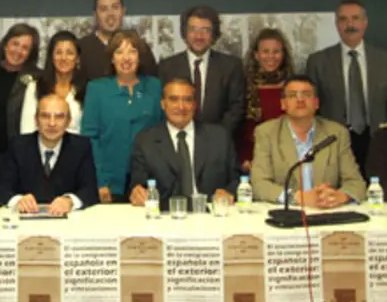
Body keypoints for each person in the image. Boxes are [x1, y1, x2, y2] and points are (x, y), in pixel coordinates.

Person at [306, 0, 387, 176]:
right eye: (343, 19)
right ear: (336, 25)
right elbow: (312, 107)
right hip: (334, 140)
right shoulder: (318, 62)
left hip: (378, 139)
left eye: (355, 18)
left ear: (365, 23)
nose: (350, 24)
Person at [250, 75, 366, 208]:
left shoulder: (336, 133)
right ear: (283, 104)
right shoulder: (266, 132)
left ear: (316, 103)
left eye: (306, 94)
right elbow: (259, 184)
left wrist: (340, 196)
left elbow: (356, 183)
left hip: (327, 211)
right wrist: (297, 197)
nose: (300, 100)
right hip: (286, 212)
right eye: (293, 95)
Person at [129, 79, 240, 210]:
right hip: (165, 217)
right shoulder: (146, 140)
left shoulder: (219, 137)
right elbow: (138, 184)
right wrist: (138, 192)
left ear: (194, 105)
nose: (181, 107)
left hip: (211, 214)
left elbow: (237, 181)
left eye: (187, 100)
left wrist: (229, 192)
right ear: (163, 104)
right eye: (174, 99)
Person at [81, 30, 163, 203]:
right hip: (109, 182)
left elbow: (162, 134)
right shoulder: (97, 89)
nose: (126, 58)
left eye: (132, 51)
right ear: (112, 58)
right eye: (119, 52)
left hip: (149, 182)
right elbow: (90, 138)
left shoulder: (155, 87)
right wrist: (100, 181)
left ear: (140, 57)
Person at [0, 95, 98, 216]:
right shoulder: (18, 146)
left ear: (69, 122)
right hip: (24, 221)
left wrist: (70, 201)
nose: (52, 123)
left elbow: (90, 190)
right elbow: (2, 188)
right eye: (45, 116)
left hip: (69, 224)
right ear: (36, 120)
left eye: (59, 117)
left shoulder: (81, 147)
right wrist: (18, 200)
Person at [158, 5, 246, 135]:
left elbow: (236, 109)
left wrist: (215, 138)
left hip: (219, 143)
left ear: (214, 34)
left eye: (205, 30)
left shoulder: (231, 66)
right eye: (193, 29)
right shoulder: (166, 67)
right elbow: (163, 108)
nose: (199, 36)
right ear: (185, 32)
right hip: (178, 143)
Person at [0, 23, 41, 180]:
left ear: (30, 54)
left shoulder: (37, 76)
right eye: (15, 43)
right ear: (6, 44)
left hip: (13, 153)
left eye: (25, 48)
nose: (18, 51)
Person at [237, 28, 295, 171]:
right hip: (253, 158)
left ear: (283, 55)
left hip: (288, 156)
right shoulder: (244, 85)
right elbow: (240, 128)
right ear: (256, 55)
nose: (271, 57)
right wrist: (244, 158)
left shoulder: (293, 85)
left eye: (276, 51)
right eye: (265, 51)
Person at [78, 0, 158, 83]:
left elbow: (151, 87)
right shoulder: (81, 49)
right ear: (95, 15)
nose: (110, 14)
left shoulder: (140, 48)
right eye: (103, 9)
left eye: (115, 7)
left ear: (123, 11)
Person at [20, 30, 86, 134]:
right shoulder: (35, 87)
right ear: (51, 57)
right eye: (58, 52)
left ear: (77, 58)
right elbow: (27, 129)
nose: (63, 58)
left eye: (70, 53)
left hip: (77, 148)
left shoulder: (87, 89)